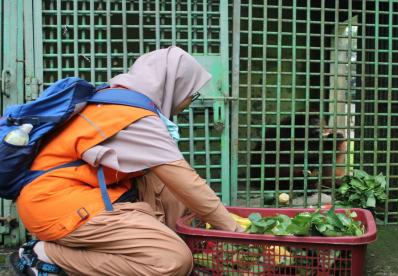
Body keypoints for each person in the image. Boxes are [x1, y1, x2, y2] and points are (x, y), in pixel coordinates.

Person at [10, 46, 241, 276]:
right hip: (58, 205)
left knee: (166, 187)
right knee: (173, 262)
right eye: (192, 93)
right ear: (174, 86)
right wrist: (237, 233)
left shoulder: (114, 100)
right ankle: (44, 255)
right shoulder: (134, 116)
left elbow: (177, 186)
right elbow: (188, 182)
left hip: (70, 196)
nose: (190, 100)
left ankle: (160, 247)